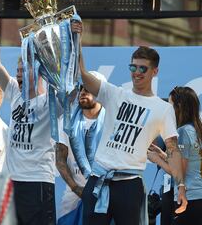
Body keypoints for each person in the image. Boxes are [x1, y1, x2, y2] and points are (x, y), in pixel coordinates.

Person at [0, 5, 86, 224]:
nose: (18, 75)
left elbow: (72, 85)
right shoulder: (14, 92)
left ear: (40, 73)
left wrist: (75, 41)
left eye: (24, 70)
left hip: (38, 183)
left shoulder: (50, 103)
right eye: (18, 71)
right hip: (13, 182)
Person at [77, 42, 188, 224]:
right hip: (98, 180)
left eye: (143, 68)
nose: (137, 72)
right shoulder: (114, 94)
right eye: (133, 67)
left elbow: (173, 149)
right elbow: (82, 74)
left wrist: (181, 185)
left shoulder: (163, 109)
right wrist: (77, 38)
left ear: (155, 72)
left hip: (129, 185)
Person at [56, 71, 106, 225]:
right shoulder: (66, 120)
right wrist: (76, 188)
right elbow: (60, 159)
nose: (83, 92)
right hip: (74, 193)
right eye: (81, 88)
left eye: (89, 88)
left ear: (101, 93)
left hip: (104, 192)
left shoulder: (111, 121)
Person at [148, 86, 202, 225]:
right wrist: (163, 155)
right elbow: (187, 163)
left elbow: (180, 173)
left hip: (188, 198)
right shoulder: (196, 130)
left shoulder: (183, 132)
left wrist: (156, 160)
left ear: (179, 107)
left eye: (170, 105)